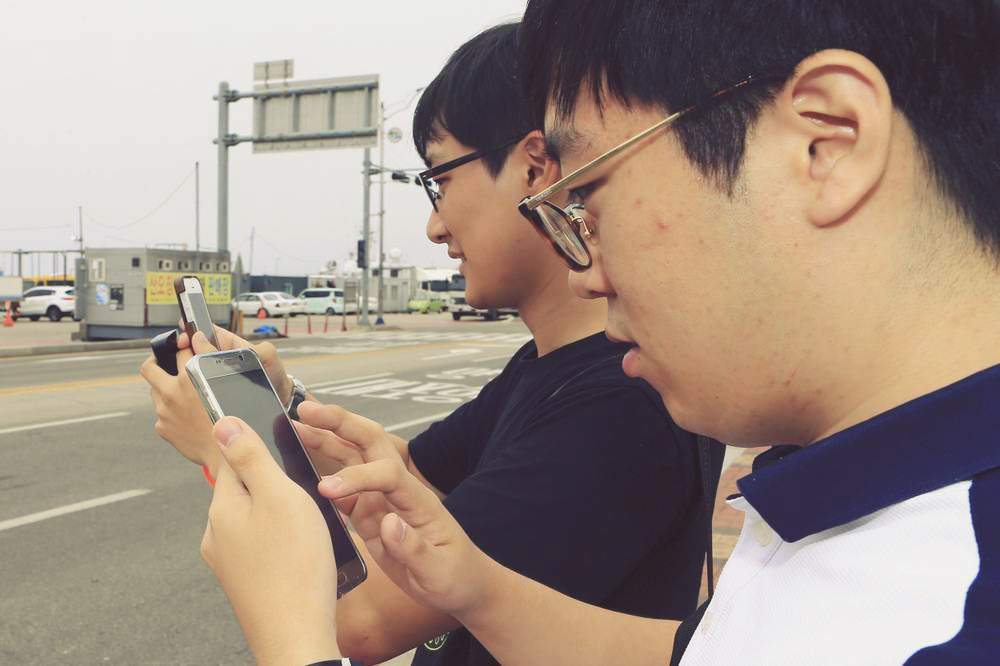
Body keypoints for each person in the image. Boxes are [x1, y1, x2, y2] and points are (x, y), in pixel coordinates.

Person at [193, 0, 1000, 664]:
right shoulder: (859, 505)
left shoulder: (954, 618)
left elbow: (360, 627)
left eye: (586, 198)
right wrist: (474, 586)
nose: (584, 267)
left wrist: (293, 636)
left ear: (826, 142)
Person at [141, 21, 722, 666]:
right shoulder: (545, 367)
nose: (435, 225)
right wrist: (277, 409)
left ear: (536, 168)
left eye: (439, 181)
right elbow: (405, 480)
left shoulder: (618, 403)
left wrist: (223, 447)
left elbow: (358, 621)